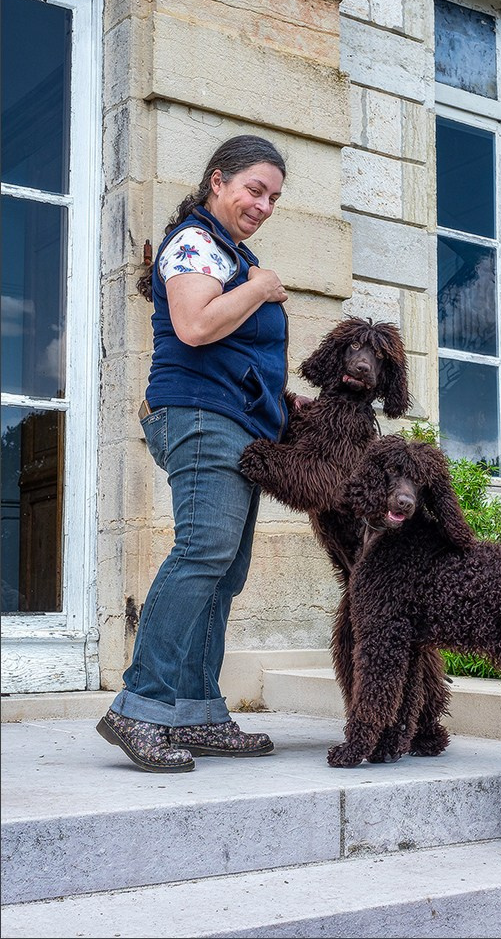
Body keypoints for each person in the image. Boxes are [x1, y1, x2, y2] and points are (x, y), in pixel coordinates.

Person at [97, 135, 291, 773]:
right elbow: (195, 325)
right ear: (218, 181)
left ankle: (198, 711)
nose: (263, 205)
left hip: (236, 424)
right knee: (202, 552)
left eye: (273, 197)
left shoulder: (231, 253)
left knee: (223, 569)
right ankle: (140, 705)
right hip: (202, 417)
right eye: (254, 189)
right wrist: (261, 288)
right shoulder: (193, 241)